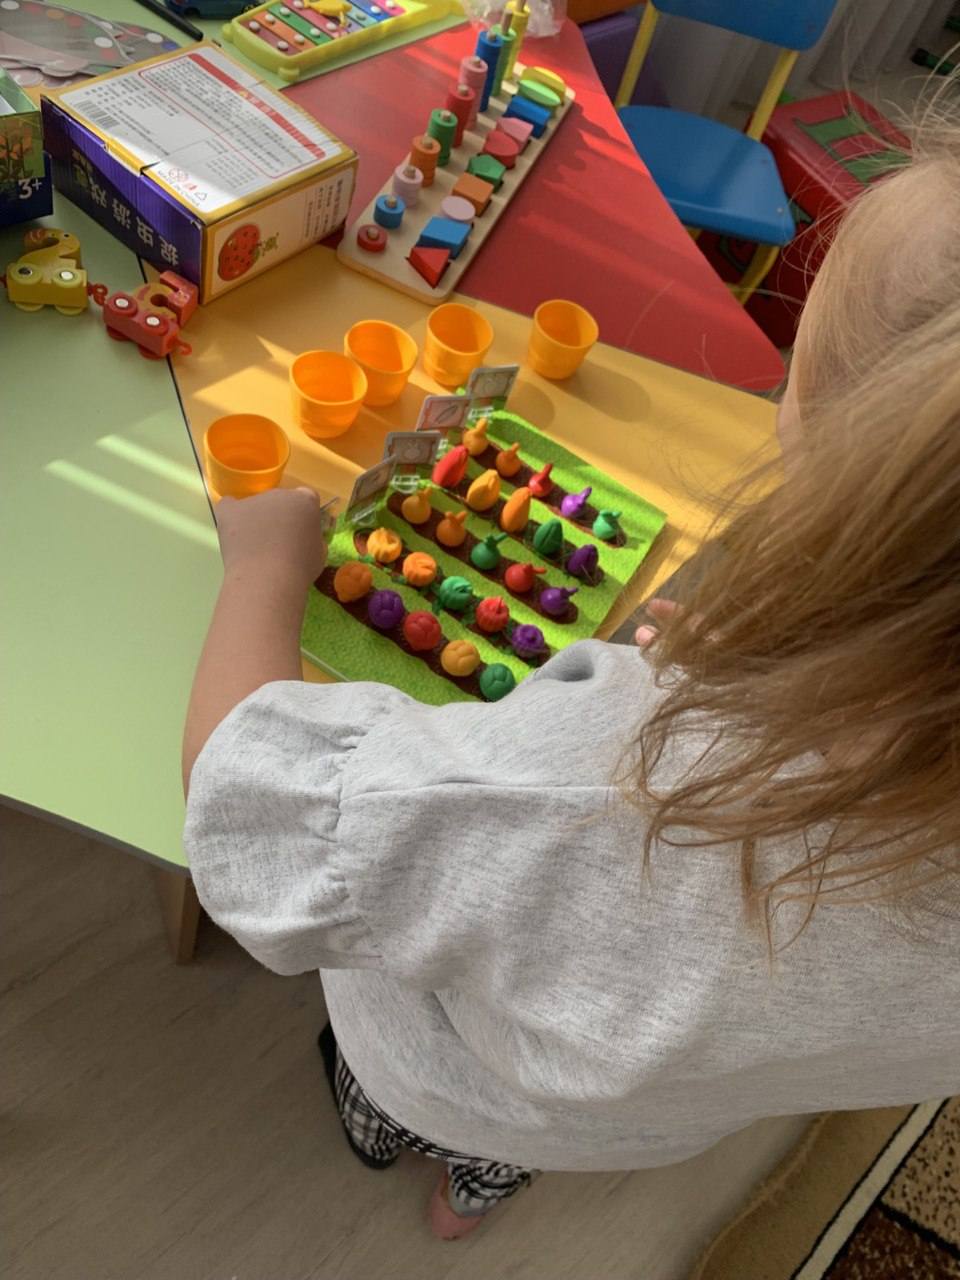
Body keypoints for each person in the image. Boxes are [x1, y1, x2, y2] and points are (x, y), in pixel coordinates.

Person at [183, 131, 960, 1240]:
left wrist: (260, 573)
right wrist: (769, 680)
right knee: (530, 1135)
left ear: (840, 450)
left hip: (450, 1060)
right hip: (651, 1114)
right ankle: (474, 1194)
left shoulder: (613, 783)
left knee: (420, 1093)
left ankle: (379, 1123)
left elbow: (252, 816)